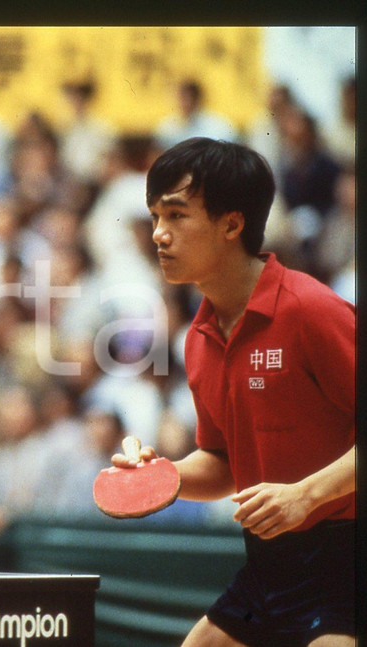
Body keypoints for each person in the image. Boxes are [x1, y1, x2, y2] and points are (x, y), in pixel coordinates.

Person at [112, 137, 354, 646]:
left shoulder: (311, 310)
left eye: (176, 216)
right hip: (270, 565)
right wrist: (160, 477)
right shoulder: (199, 338)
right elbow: (223, 462)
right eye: (155, 216)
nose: (159, 234)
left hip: (353, 562)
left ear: (232, 223)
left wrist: (306, 496)